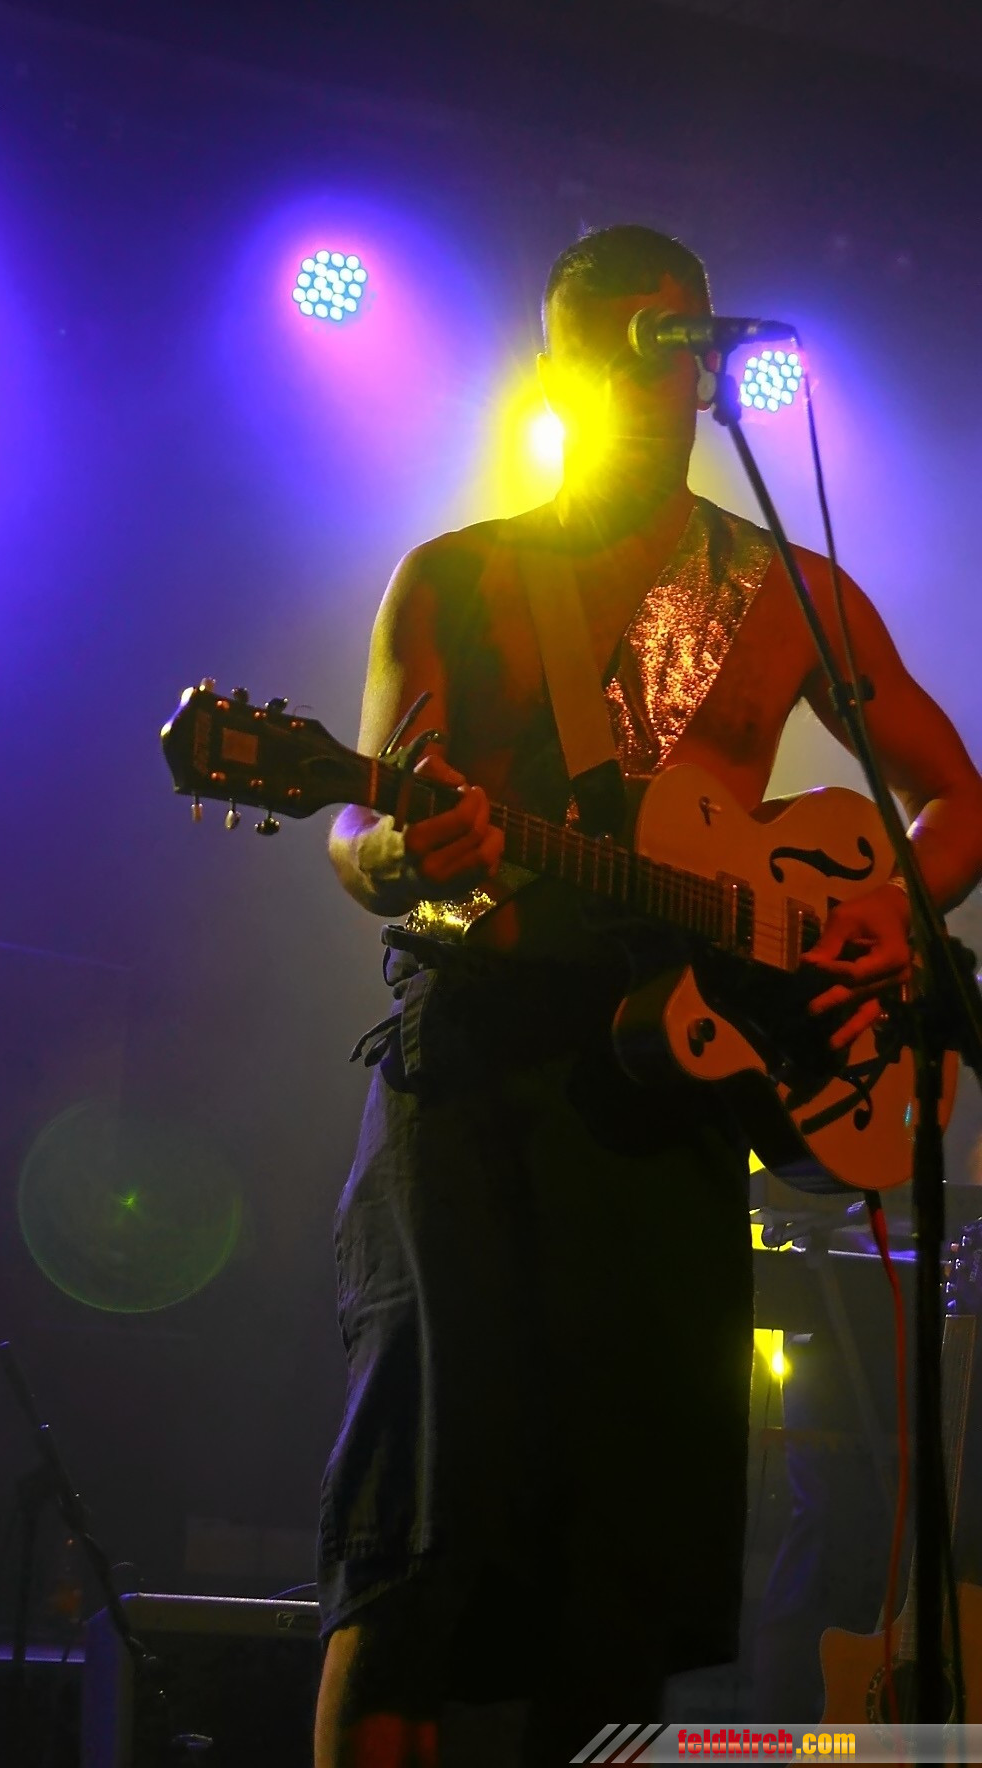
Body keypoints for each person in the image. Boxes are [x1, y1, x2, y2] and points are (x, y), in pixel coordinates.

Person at [312, 224, 982, 1766]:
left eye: (669, 342)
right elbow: (355, 822)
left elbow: (956, 802)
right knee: (416, 1553)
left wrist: (883, 913)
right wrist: (399, 850)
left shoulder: (784, 589)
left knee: (620, 1586)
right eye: (611, 346)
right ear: (557, 368)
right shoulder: (461, 577)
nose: (645, 375)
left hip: (671, 1098)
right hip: (474, 1079)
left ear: (701, 362)